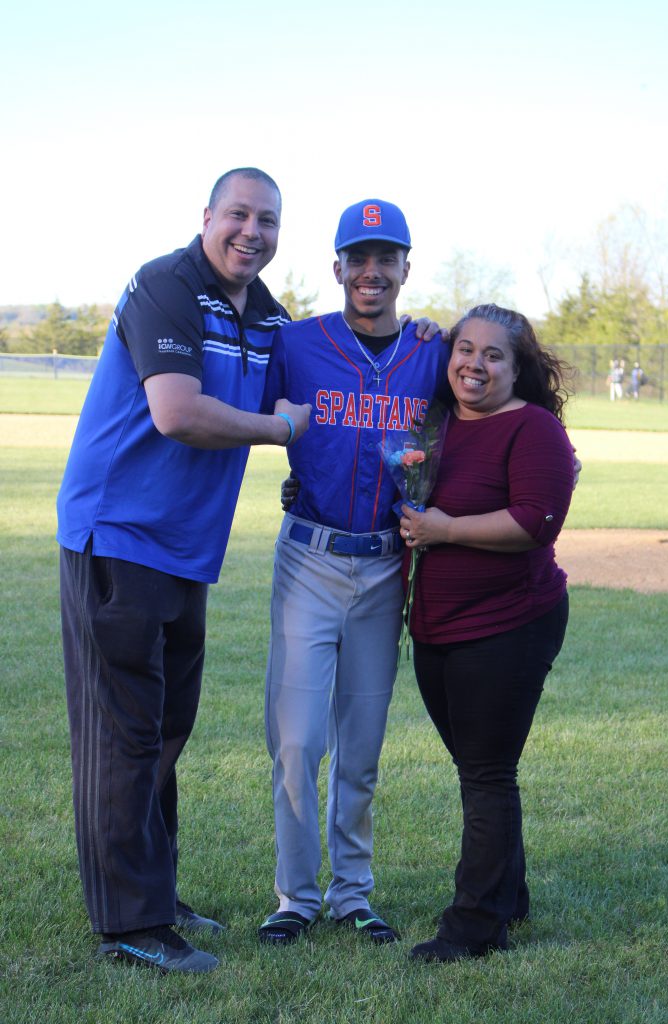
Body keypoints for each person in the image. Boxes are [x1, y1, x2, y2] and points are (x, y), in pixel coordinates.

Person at [56, 167, 311, 974]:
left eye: (267, 220)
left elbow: (317, 396)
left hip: (184, 553)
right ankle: (129, 924)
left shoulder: (268, 316)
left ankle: (155, 895)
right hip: (119, 536)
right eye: (238, 214)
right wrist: (277, 431)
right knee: (125, 735)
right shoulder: (165, 285)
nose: (252, 232)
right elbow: (175, 412)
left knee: (165, 732)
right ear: (206, 216)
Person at [257, 200, 451, 946]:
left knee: (361, 746)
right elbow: (259, 411)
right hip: (307, 556)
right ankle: (294, 898)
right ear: (335, 267)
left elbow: (466, 419)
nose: (371, 271)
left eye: (386, 257)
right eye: (357, 257)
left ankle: (353, 893)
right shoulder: (296, 343)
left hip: (383, 564)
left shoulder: (433, 351)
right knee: (298, 741)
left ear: (406, 267)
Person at [398, 304, 575, 963]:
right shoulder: (434, 424)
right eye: (463, 349)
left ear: (516, 366)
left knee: (486, 771)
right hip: (435, 625)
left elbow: (537, 521)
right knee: (478, 768)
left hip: (509, 623)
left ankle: (473, 927)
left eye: (492, 354)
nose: (474, 363)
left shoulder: (530, 428)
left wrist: (444, 529)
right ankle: (507, 894)